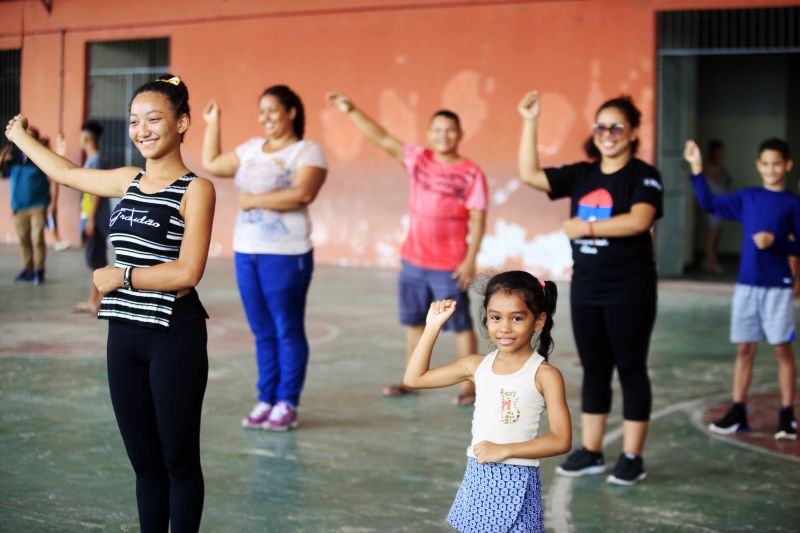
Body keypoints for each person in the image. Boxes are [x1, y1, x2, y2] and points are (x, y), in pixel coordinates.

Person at [5, 74, 216, 532]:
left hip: (173, 335)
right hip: (123, 336)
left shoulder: (196, 190)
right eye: (134, 121)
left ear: (182, 123)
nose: (142, 129)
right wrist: (20, 136)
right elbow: (65, 172)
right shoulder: (127, 180)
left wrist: (119, 276)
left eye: (154, 119)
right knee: (143, 463)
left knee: (178, 459)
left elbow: (187, 272)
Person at [518, 91, 663, 486]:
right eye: (601, 126)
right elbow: (530, 175)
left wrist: (585, 227)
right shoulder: (582, 174)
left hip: (630, 288)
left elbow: (639, 220)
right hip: (586, 287)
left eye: (617, 126)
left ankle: (632, 456)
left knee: (630, 369)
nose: (608, 133)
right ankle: (593, 451)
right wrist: (530, 120)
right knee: (595, 368)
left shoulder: (644, 175)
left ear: (633, 132)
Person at [326, 91, 488, 405]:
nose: (444, 136)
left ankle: (471, 384)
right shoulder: (419, 160)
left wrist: (470, 260)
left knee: (460, 325)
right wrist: (351, 109)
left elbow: (479, 220)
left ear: (460, 135)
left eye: (450, 130)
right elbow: (382, 138)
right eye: (438, 130)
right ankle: (411, 379)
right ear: (430, 134)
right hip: (414, 261)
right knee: (415, 322)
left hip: (449, 264)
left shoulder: (471, 173)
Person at [404, 271, 571, 532]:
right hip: (478, 473)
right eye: (495, 318)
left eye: (517, 318)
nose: (504, 327)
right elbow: (414, 378)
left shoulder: (544, 374)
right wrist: (433, 326)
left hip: (517, 477)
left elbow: (561, 440)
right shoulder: (476, 365)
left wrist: (504, 450)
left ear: (538, 321)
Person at [201, 85, 327, 431]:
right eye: (262, 111)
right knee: (261, 330)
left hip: (287, 254)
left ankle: (287, 401)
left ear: (291, 112)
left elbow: (302, 193)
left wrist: (252, 200)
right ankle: (266, 398)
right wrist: (213, 122)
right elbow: (212, 163)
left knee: (286, 328)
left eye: (273, 110)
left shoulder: (307, 151)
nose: (265, 117)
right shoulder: (251, 149)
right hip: (247, 251)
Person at [685, 138, 798, 441]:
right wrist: (697, 168)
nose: (771, 169)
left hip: (778, 288)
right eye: (766, 163)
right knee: (744, 349)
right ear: (758, 165)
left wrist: (779, 243)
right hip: (747, 286)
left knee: (782, 349)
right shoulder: (749, 197)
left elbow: (798, 243)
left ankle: (788, 415)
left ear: (786, 165)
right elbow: (709, 203)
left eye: (777, 163)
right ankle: (738, 411)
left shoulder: (793, 203)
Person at [62, 120, 111, 313]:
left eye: (81, 137)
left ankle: (96, 301)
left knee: (96, 261)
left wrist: (91, 219)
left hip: (96, 220)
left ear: (87, 138)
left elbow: (96, 192)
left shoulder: (96, 160)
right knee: (95, 260)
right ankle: (93, 299)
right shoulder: (91, 159)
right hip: (91, 218)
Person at [1, 125, 51, 284]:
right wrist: (2, 159)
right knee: (23, 239)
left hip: (38, 205)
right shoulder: (13, 155)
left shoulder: (41, 156)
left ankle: (39, 270)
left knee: (37, 238)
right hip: (18, 206)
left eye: (29, 136)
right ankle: (28, 269)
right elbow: (3, 174)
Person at [702, 140, 733, 274]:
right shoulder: (709, 166)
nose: (720, 154)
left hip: (721, 203)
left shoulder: (720, 166)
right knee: (713, 233)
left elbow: (728, 181)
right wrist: (722, 167)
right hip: (713, 203)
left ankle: (712, 260)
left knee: (718, 233)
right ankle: (709, 261)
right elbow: (718, 180)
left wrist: (723, 168)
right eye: (718, 152)